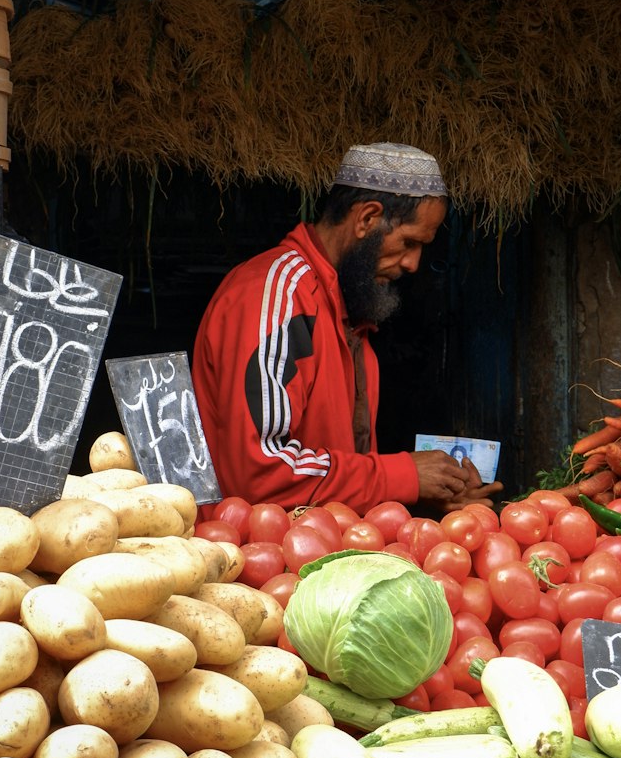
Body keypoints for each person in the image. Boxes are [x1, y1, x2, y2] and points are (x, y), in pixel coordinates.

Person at [192, 141, 493, 514]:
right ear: (367, 218)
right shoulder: (277, 295)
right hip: (251, 560)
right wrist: (400, 475)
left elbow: (340, 483)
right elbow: (259, 473)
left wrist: (429, 491)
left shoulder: (350, 319)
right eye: (409, 242)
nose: (413, 263)